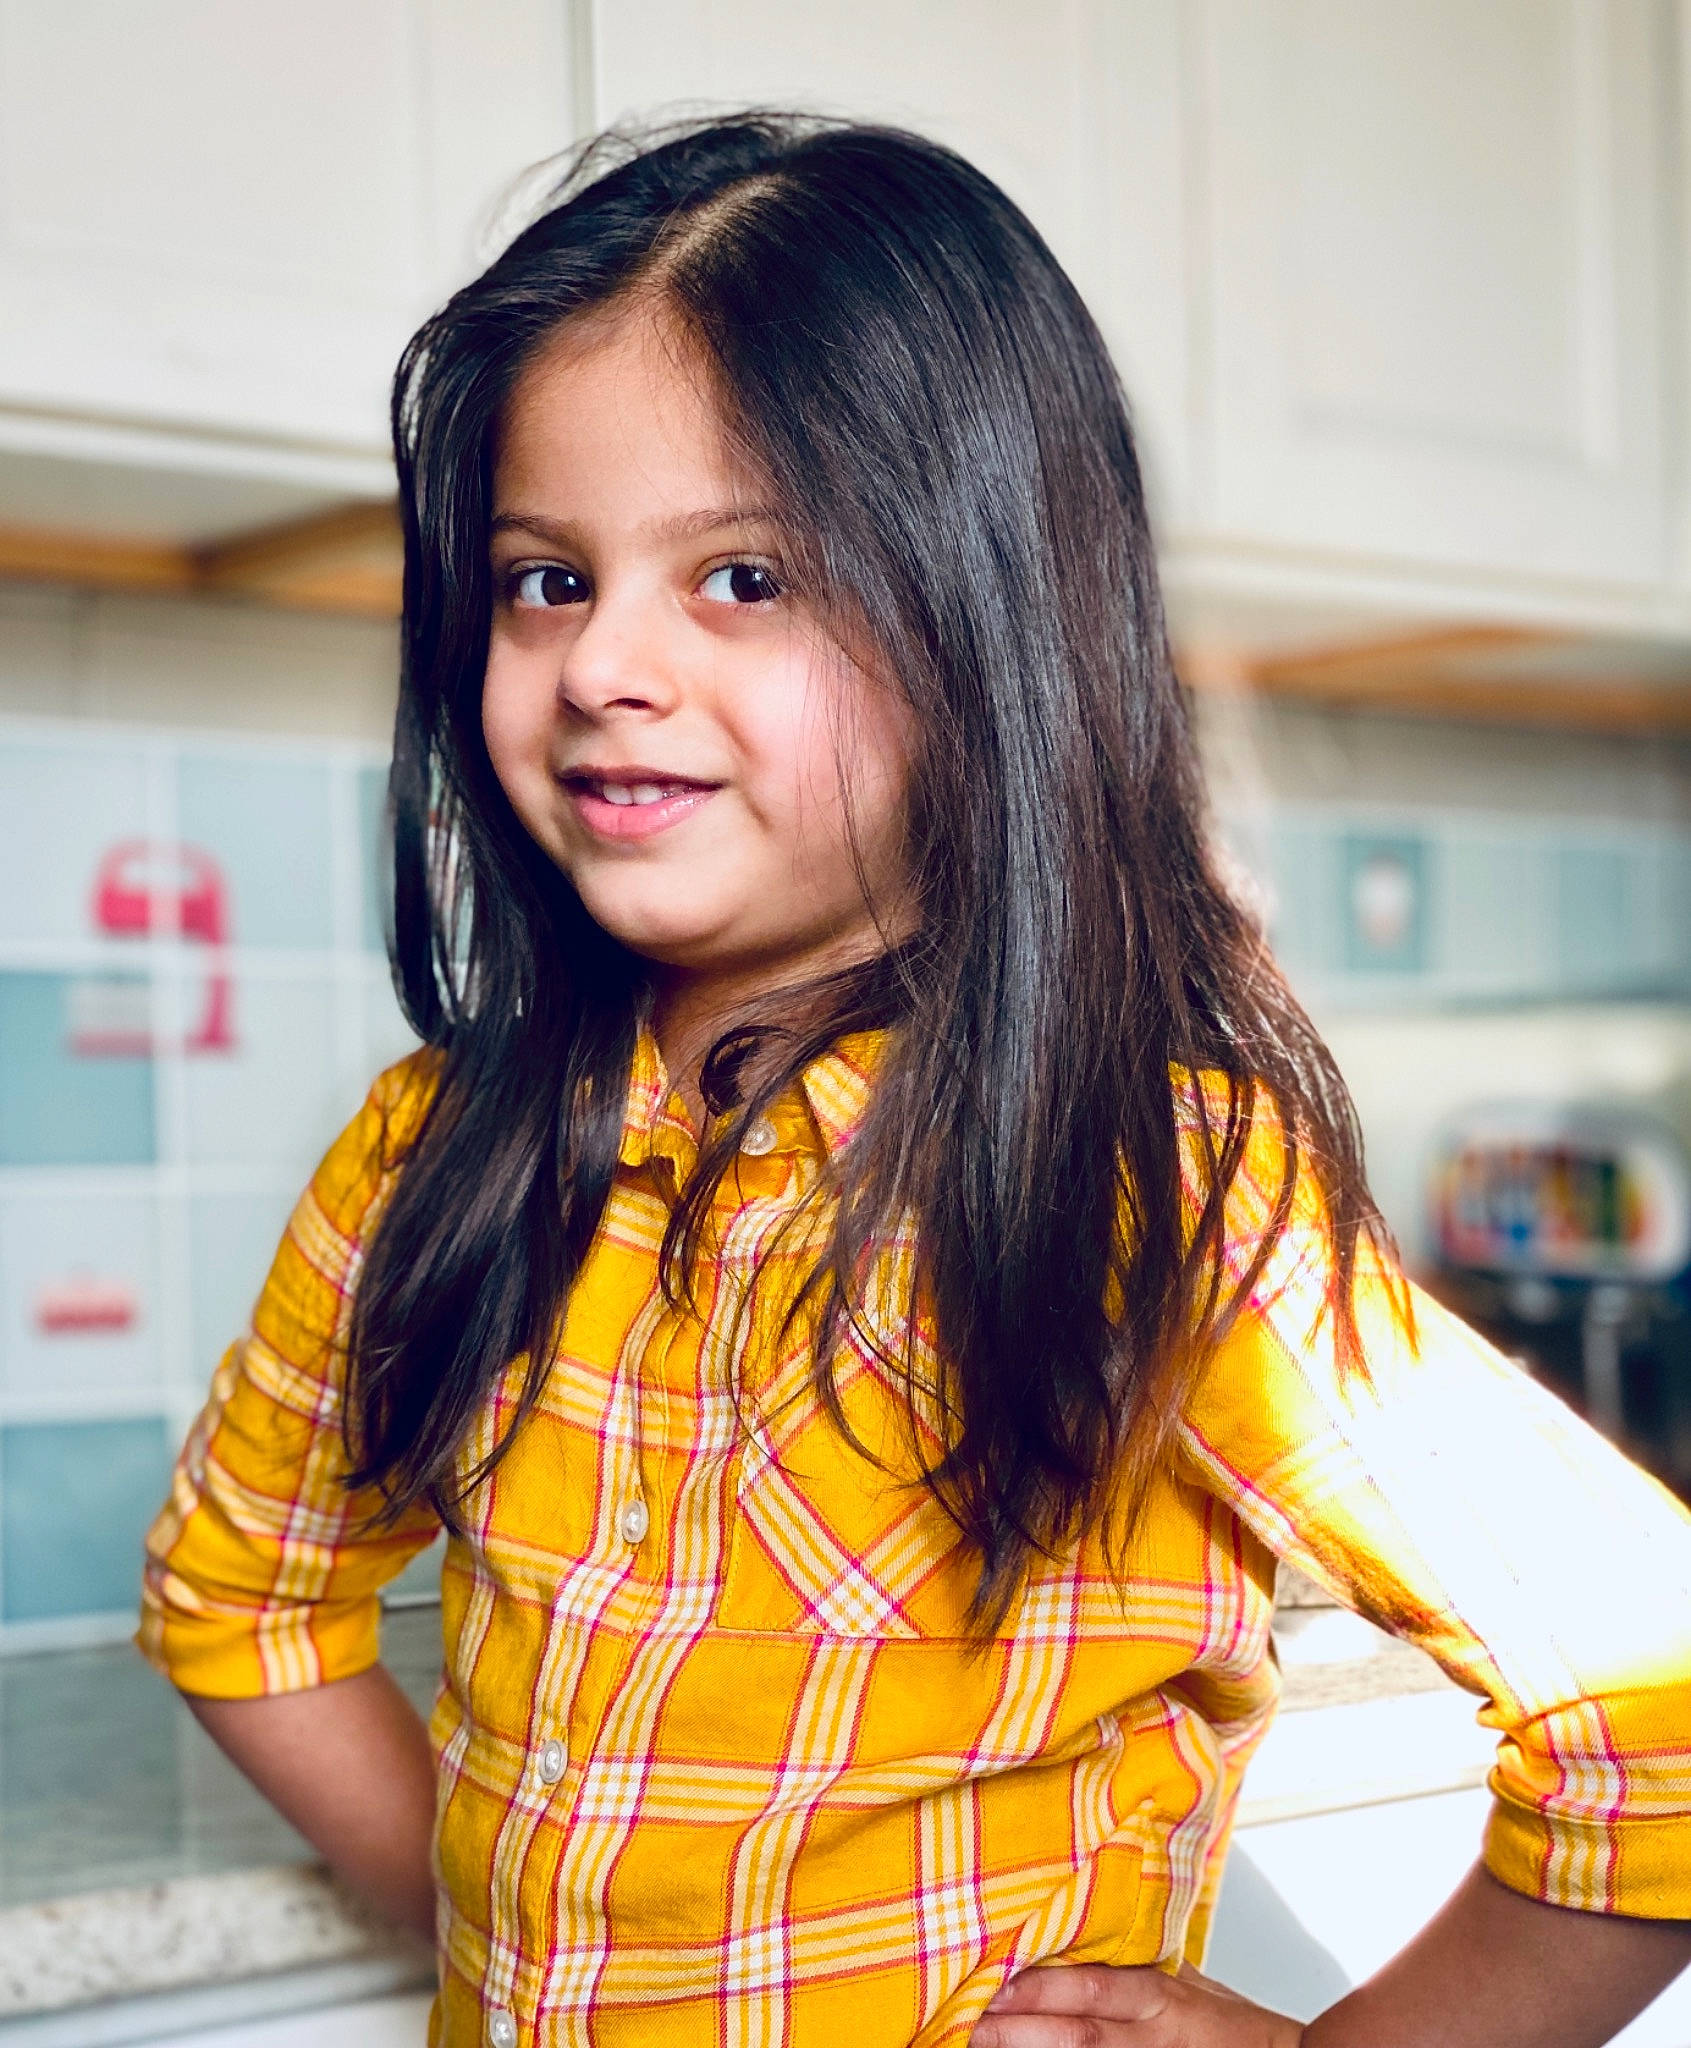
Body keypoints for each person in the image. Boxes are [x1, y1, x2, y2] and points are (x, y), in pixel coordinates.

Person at [138, 115, 1691, 2048]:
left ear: (992, 624)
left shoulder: (1143, 1195)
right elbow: (238, 1596)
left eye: (744, 575)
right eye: (546, 579)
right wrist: (490, 1937)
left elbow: (1662, 1716)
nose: (603, 660)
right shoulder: (426, 1159)